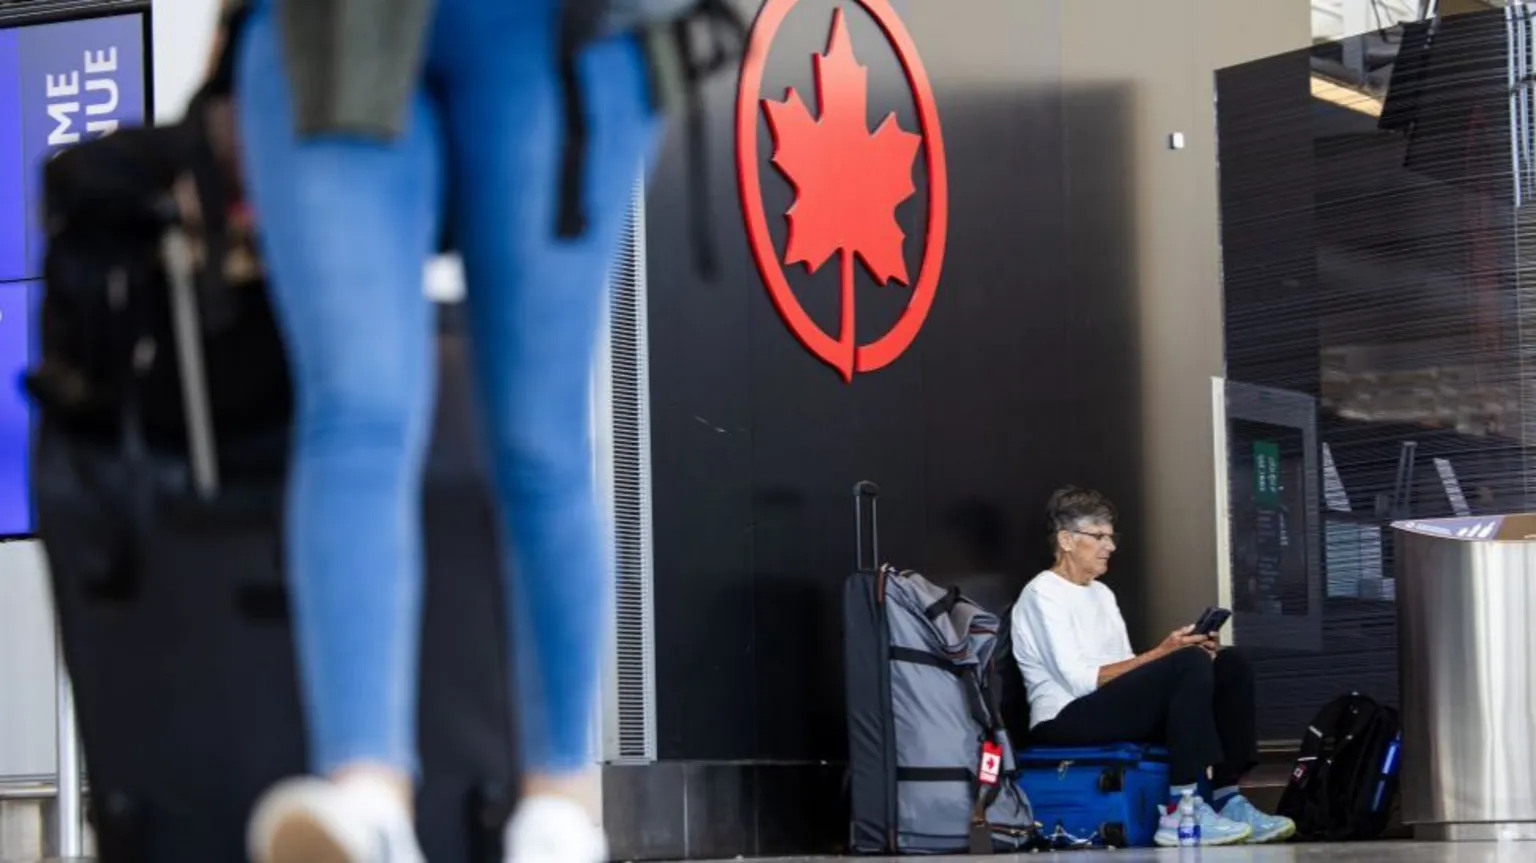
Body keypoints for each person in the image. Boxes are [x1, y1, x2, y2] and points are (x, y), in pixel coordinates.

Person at [229, 0, 660, 861]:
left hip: (555, 29)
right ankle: (367, 799)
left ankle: (559, 808)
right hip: (328, 26)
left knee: (536, 437)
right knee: (357, 405)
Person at [1010, 487, 1296, 847]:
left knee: (1229, 663)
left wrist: (1182, 657)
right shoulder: (1042, 593)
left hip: (1101, 707)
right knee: (1185, 662)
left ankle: (1227, 797)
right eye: (1099, 536)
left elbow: (1128, 669)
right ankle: (1182, 810)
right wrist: (1165, 653)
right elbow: (1083, 681)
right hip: (1062, 718)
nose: (1110, 546)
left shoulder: (1101, 593)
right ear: (1066, 540)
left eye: (1112, 537)